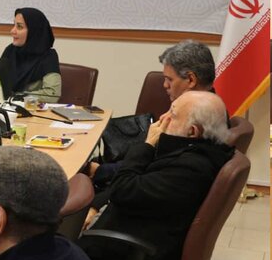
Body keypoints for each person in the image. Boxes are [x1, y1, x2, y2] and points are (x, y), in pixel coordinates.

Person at [81, 91, 234, 260]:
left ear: (192, 131)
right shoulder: (186, 150)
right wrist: (96, 205)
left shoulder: (190, 169)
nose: (162, 117)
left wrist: (147, 144)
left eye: (172, 114)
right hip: (122, 223)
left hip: (126, 252)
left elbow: (123, 189)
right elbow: (130, 180)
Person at [86, 39, 220, 208]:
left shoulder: (194, 126)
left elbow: (144, 177)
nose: (165, 85)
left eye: (169, 79)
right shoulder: (209, 112)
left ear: (191, 80)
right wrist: (102, 171)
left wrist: (96, 203)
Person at [1, 8, 61, 103]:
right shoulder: (10, 51)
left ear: (34, 31)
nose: (12, 31)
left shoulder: (48, 56)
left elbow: (52, 94)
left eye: (19, 27)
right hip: (7, 107)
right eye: (14, 25)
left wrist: (20, 97)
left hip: (32, 109)